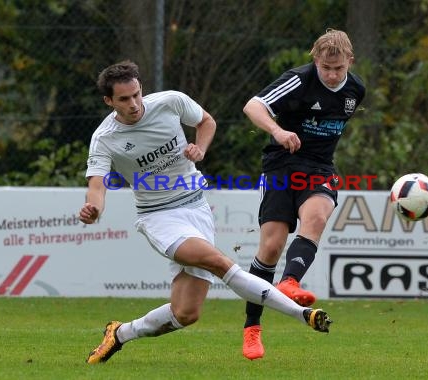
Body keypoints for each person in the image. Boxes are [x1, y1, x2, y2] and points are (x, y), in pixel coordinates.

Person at [80, 60, 332, 364]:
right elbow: (98, 184)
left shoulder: (170, 102)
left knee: (186, 313)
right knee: (218, 261)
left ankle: (119, 334)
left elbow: (207, 122)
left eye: (137, 94)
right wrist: (95, 208)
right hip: (159, 216)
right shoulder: (104, 137)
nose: (134, 104)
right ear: (109, 101)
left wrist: (200, 148)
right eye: (124, 99)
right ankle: (302, 314)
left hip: (197, 207)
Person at [241, 28, 366, 360]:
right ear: (316, 60)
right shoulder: (298, 80)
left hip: (321, 169)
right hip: (282, 164)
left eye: (339, 69)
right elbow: (252, 106)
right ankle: (252, 329)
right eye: (326, 68)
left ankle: (290, 282)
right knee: (270, 246)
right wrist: (278, 130)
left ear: (350, 62)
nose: (332, 75)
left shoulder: (356, 90)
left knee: (317, 216)